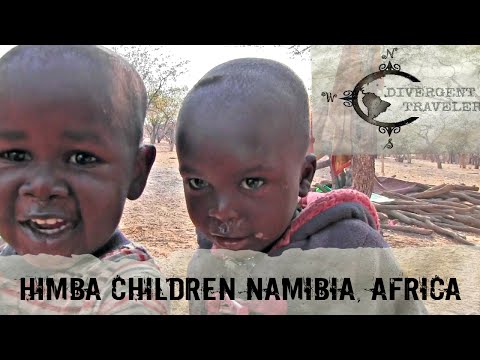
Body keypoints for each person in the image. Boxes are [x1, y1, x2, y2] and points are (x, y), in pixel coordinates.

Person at [175, 57, 428, 315]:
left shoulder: (354, 250)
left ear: (304, 177)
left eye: (251, 182)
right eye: (198, 183)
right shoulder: (206, 263)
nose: (221, 211)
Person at [0, 45, 168, 315]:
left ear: (137, 172)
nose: (42, 187)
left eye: (81, 158)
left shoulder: (126, 286)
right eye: (15, 155)